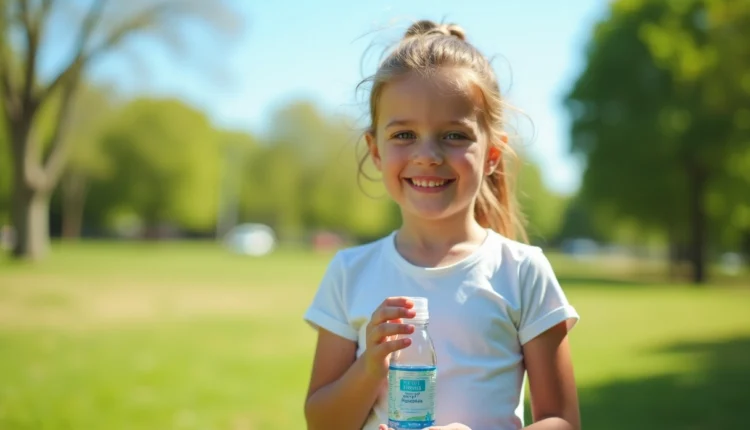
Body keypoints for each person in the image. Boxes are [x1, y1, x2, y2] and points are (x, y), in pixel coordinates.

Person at [303, 19, 581, 430]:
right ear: (375, 150)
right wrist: (370, 366)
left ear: (491, 153)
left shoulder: (522, 271)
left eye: (453, 135)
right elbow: (321, 423)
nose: (428, 155)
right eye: (403, 135)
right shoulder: (349, 274)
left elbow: (562, 421)